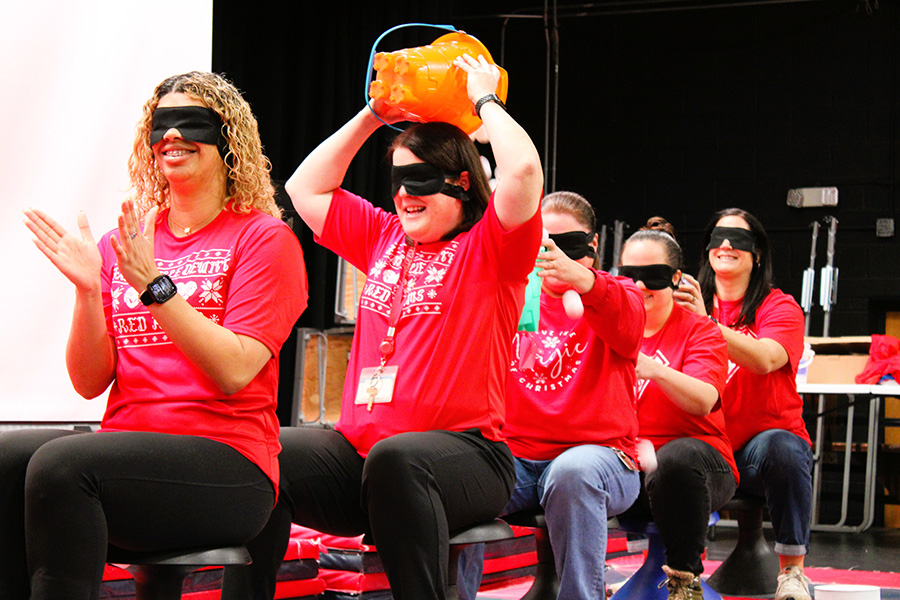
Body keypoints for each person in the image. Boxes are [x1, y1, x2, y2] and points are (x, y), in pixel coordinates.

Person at [221, 53, 544, 600]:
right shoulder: (384, 238)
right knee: (262, 450)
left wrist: (486, 101)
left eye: (419, 180)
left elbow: (524, 173)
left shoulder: (493, 246)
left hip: (469, 458)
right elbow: (305, 189)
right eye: (396, 180)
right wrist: (374, 113)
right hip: (366, 459)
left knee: (401, 458)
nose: (403, 195)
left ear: (462, 182)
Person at [5, 71, 308, 599]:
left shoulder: (265, 240)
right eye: (160, 125)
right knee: (8, 461)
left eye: (190, 122)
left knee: (63, 464)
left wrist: (154, 285)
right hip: (129, 453)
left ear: (227, 139)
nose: (171, 136)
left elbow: (235, 369)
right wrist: (86, 293)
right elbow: (89, 381)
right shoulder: (124, 242)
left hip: (227, 463)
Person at [456, 191, 644, 600]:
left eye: (568, 245)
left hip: (604, 458)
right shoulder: (514, 296)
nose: (553, 256)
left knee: (572, 472)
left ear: (592, 246)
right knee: (459, 480)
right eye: (543, 243)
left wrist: (583, 281)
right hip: (517, 458)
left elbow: (629, 329)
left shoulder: (621, 292)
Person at [677, 208, 814, 600]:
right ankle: (676, 571)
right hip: (706, 444)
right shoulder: (688, 302)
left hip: (757, 452)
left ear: (756, 253)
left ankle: (792, 573)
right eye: (718, 237)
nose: (725, 245)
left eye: (738, 239)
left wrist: (706, 324)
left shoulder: (779, 306)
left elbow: (767, 358)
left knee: (783, 447)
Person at [618, 217, 736, 600]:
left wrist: (653, 368)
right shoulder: (608, 327)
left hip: (698, 466)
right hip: (630, 468)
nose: (638, 285)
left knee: (675, 460)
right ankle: (566, 581)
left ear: (675, 278)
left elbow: (703, 399)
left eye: (652, 275)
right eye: (629, 274)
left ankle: (685, 584)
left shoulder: (701, 330)